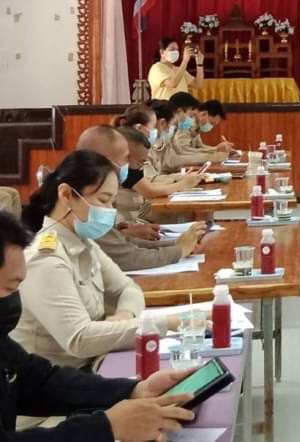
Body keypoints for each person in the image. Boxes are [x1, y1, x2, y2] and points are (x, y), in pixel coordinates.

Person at [0, 210, 198, 442]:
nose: (15, 298)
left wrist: (133, 390)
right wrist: (107, 427)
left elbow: (37, 381)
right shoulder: (47, 258)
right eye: (9, 288)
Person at [15, 151, 180, 371]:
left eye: (112, 202)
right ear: (66, 195)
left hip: (96, 364)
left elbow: (128, 288)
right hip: (57, 380)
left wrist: (125, 315)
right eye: (103, 200)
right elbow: (79, 339)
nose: (110, 211)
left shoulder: (84, 242)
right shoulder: (45, 259)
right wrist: (168, 323)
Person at [76, 127, 204, 271]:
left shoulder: (97, 186)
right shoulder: (83, 196)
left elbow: (121, 243)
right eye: (126, 158)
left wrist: (176, 244)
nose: (128, 164)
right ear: (103, 159)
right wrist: (179, 250)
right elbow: (127, 257)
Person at [162, 93, 226, 171]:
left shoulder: (174, 129)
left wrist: (214, 152)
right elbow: (174, 159)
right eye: (191, 116)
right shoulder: (176, 128)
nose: (192, 120)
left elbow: (179, 152)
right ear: (179, 111)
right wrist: (211, 156)